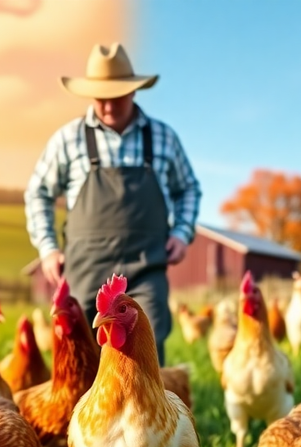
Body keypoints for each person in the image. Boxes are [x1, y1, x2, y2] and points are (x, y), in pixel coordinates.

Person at [24, 42, 201, 366]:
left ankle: (153, 416)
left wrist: (182, 231)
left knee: (147, 350)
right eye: (100, 96)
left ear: (133, 91)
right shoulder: (69, 139)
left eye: (116, 95)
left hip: (147, 264)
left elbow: (188, 187)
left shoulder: (163, 137)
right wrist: (48, 247)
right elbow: (38, 192)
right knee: (83, 357)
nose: (107, 105)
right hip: (85, 268)